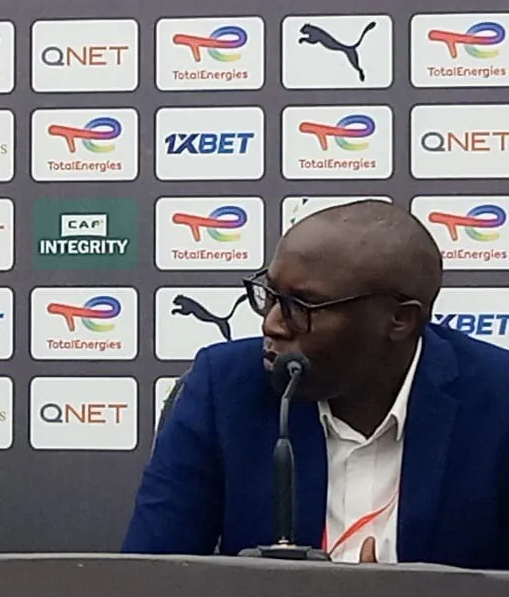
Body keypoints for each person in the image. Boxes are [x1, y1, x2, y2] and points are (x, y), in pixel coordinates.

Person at [123, 199, 509, 569]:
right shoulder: (225, 388)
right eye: (270, 296)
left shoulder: (497, 398)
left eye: (302, 306)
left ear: (399, 320)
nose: (272, 323)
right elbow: (148, 581)